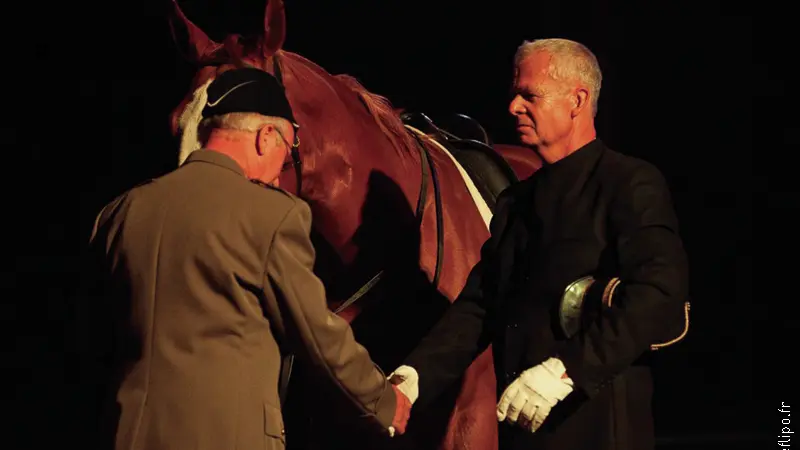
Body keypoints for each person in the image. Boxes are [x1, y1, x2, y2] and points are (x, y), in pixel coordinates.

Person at [83, 67, 411, 450]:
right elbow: (317, 334)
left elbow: (94, 339)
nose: (280, 173)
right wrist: (381, 400)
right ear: (265, 136)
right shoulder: (272, 215)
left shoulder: (118, 213)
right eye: (287, 154)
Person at [389, 38, 689, 450]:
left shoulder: (628, 183)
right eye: (514, 95)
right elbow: (479, 307)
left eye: (529, 95)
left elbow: (660, 297)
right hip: (522, 432)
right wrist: (411, 379)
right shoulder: (517, 202)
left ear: (577, 101)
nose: (513, 107)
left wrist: (565, 370)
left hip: (597, 428)